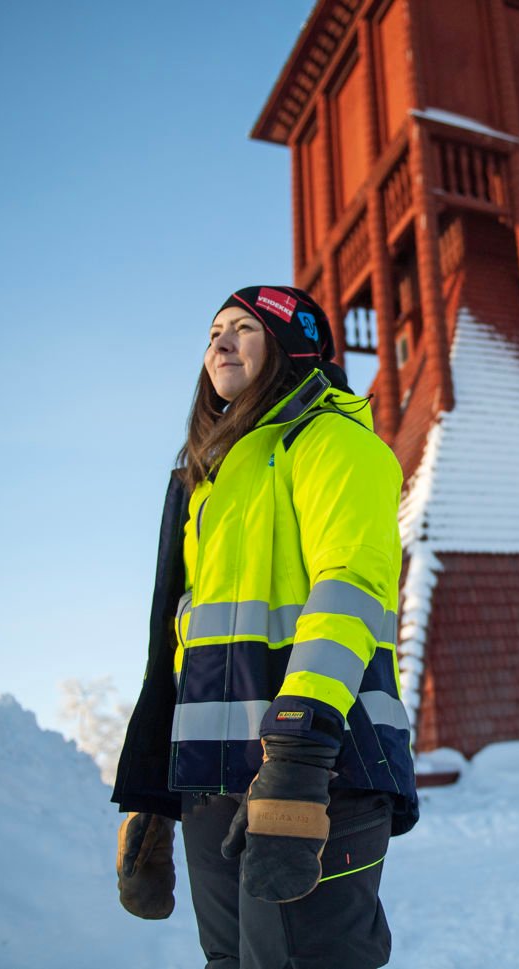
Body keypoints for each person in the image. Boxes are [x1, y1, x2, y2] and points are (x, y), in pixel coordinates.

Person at [111, 286, 417, 968]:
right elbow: (186, 648)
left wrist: (298, 760)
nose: (220, 341)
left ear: (292, 347)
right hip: (213, 781)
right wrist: (157, 791)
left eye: (245, 327)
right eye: (214, 329)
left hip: (318, 769)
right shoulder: (209, 482)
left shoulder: (331, 441)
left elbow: (350, 591)